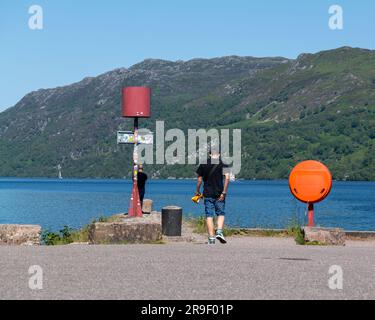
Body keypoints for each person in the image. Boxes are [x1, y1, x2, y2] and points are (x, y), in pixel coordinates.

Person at [195, 149, 230, 245]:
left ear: (209, 154)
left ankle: (211, 238)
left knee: (209, 215)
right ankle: (219, 231)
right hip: (220, 194)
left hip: (207, 193)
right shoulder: (224, 164)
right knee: (221, 213)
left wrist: (197, 191)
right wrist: (224, 192)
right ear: (219, 154)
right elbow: (227, 178)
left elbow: (199, 180)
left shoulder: (203, 164)